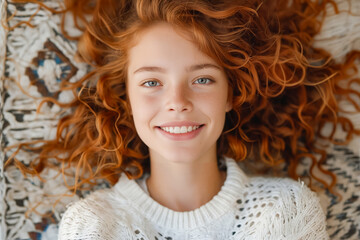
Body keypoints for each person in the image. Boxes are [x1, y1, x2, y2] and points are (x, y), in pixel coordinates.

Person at [7, 0, 360, 239]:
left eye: (202, 79)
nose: (177, 102)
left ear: (231, 94)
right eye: (151, 83)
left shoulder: (285, 210)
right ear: (125, 99)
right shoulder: (94, 225)